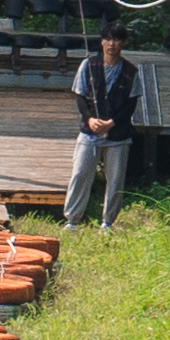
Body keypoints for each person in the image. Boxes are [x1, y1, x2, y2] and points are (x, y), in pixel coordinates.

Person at [63, 22, 140, 227]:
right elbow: (79, 96)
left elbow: (131, 105)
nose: (111, 44)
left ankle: (107, 222)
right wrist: (89, 119)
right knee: (80, 174)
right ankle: (72, 220)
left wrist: (112, 122)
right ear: (102, 41)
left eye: (116, 40)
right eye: (108, 39)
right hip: (89, 132)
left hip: (118, 135)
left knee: (115, 180)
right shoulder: (88, 65)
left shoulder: (131, 71)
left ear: (122, 43)